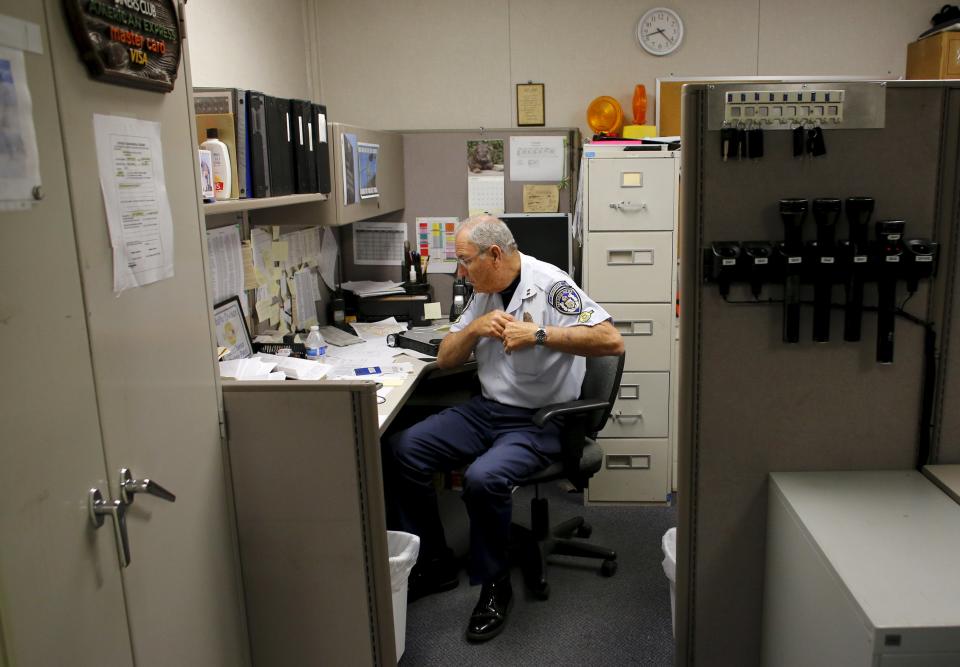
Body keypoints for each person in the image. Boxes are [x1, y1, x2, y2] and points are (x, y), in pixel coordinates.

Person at [384, 215, 624, 642]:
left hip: (541, 419)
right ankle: (433, 564)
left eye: (464, 261)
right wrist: (475, 327)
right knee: (404, 448)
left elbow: (610, 340)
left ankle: (494, 585)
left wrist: (541, 334)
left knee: (482, 478)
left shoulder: (551, 284)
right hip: (488, 411)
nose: (460, 272)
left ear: (494, 255)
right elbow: (445, 360)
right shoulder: (483, 292)